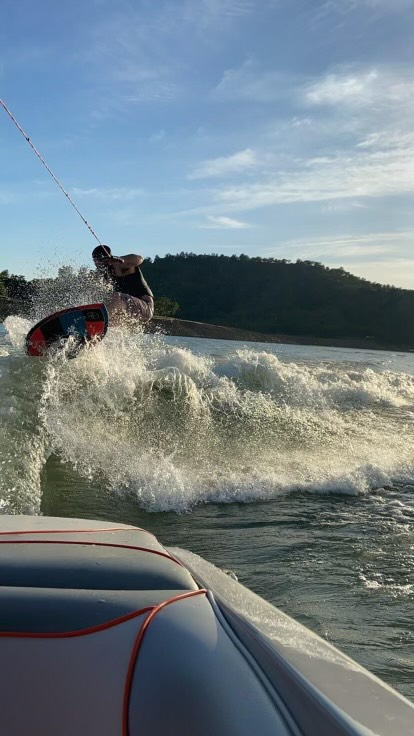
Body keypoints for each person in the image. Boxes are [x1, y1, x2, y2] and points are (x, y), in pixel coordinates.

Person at [92, 245, 154, 323]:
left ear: (107, 259)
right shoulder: (105, 273)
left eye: (100, 261)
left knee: (116, 297)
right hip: (127, 308)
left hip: (145, 307)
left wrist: (121, 259)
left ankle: (97, 321)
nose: (98, 264)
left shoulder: (120, 264)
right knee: (101, 299)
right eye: (96, 261)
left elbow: (139, 259)